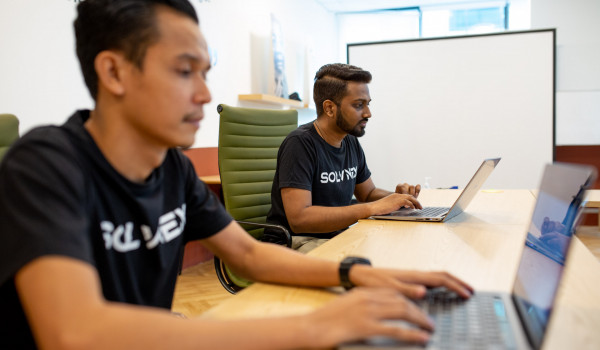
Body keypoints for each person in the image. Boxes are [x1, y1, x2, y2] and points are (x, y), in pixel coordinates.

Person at [0, 1, 474, 349]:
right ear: (114, 72)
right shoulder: (46, 164)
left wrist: (358, 273)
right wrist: (315, 325)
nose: (206, 94)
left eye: (206, 72)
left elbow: (248, 253)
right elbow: (73, 333)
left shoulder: (171, 170)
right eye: (186, 71)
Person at [267, 63, 422, 252]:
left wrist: (397, 198)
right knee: (373, 266)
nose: (368, 113)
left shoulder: (349, 141)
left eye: (368, 104)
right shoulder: (299, 144)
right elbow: (300, 219)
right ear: (330, 108)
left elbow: (367, 194)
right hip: (294, 243)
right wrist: (373, 208)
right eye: (359, 105)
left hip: (336, 237)